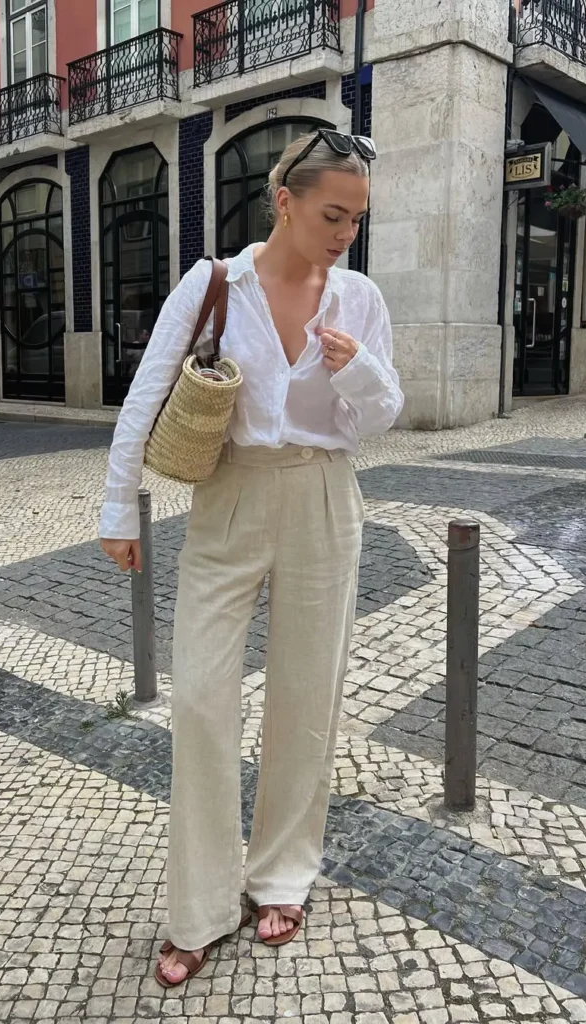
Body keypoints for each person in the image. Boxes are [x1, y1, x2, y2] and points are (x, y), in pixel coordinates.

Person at [99, 129, 404, 987]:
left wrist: (356, 373)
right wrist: (118, 507)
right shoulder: (215, 284)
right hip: (228, 492)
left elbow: (383, 414)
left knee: (307, 692)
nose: (344, 232)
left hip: (321, 494)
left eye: (356, 218)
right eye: (331, 214)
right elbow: (148, 392)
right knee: (199, 699)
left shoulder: (358, 298)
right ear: (286, 201)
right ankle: (196, 909)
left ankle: (281, 875)